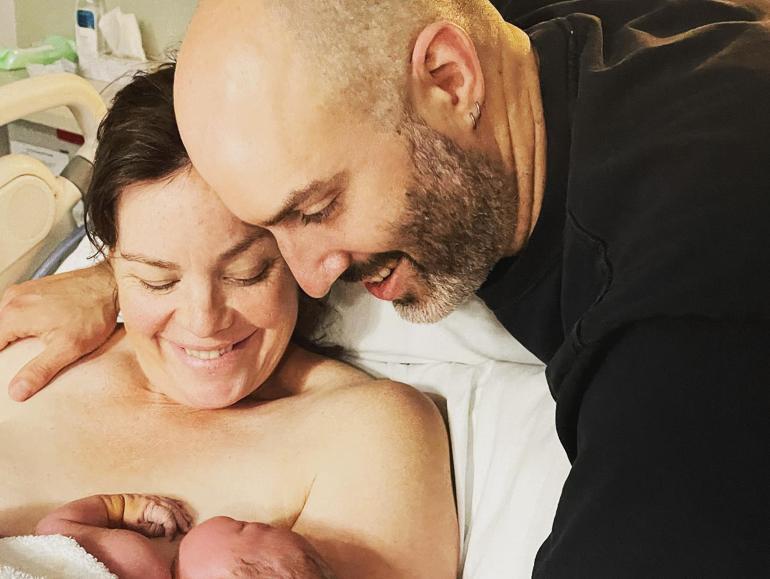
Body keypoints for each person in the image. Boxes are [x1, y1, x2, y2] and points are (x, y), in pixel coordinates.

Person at [2, 0, 769, 576]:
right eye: (155, 273)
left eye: (313, 210)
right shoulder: (528, 46)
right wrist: (118, 279)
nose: (313, 277)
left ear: (451, 80)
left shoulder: (681, 331)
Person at [0, 66, 459, 579]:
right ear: (114, 259)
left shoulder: (362, 436)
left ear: (298, 251)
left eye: (247, 274)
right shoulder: (38, 352)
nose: (204, 322)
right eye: (157, 280)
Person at [28, 493, 334, 579]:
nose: (259, 521)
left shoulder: (136, 559)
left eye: (246, 527)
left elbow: (51, 530)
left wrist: (119, 506)